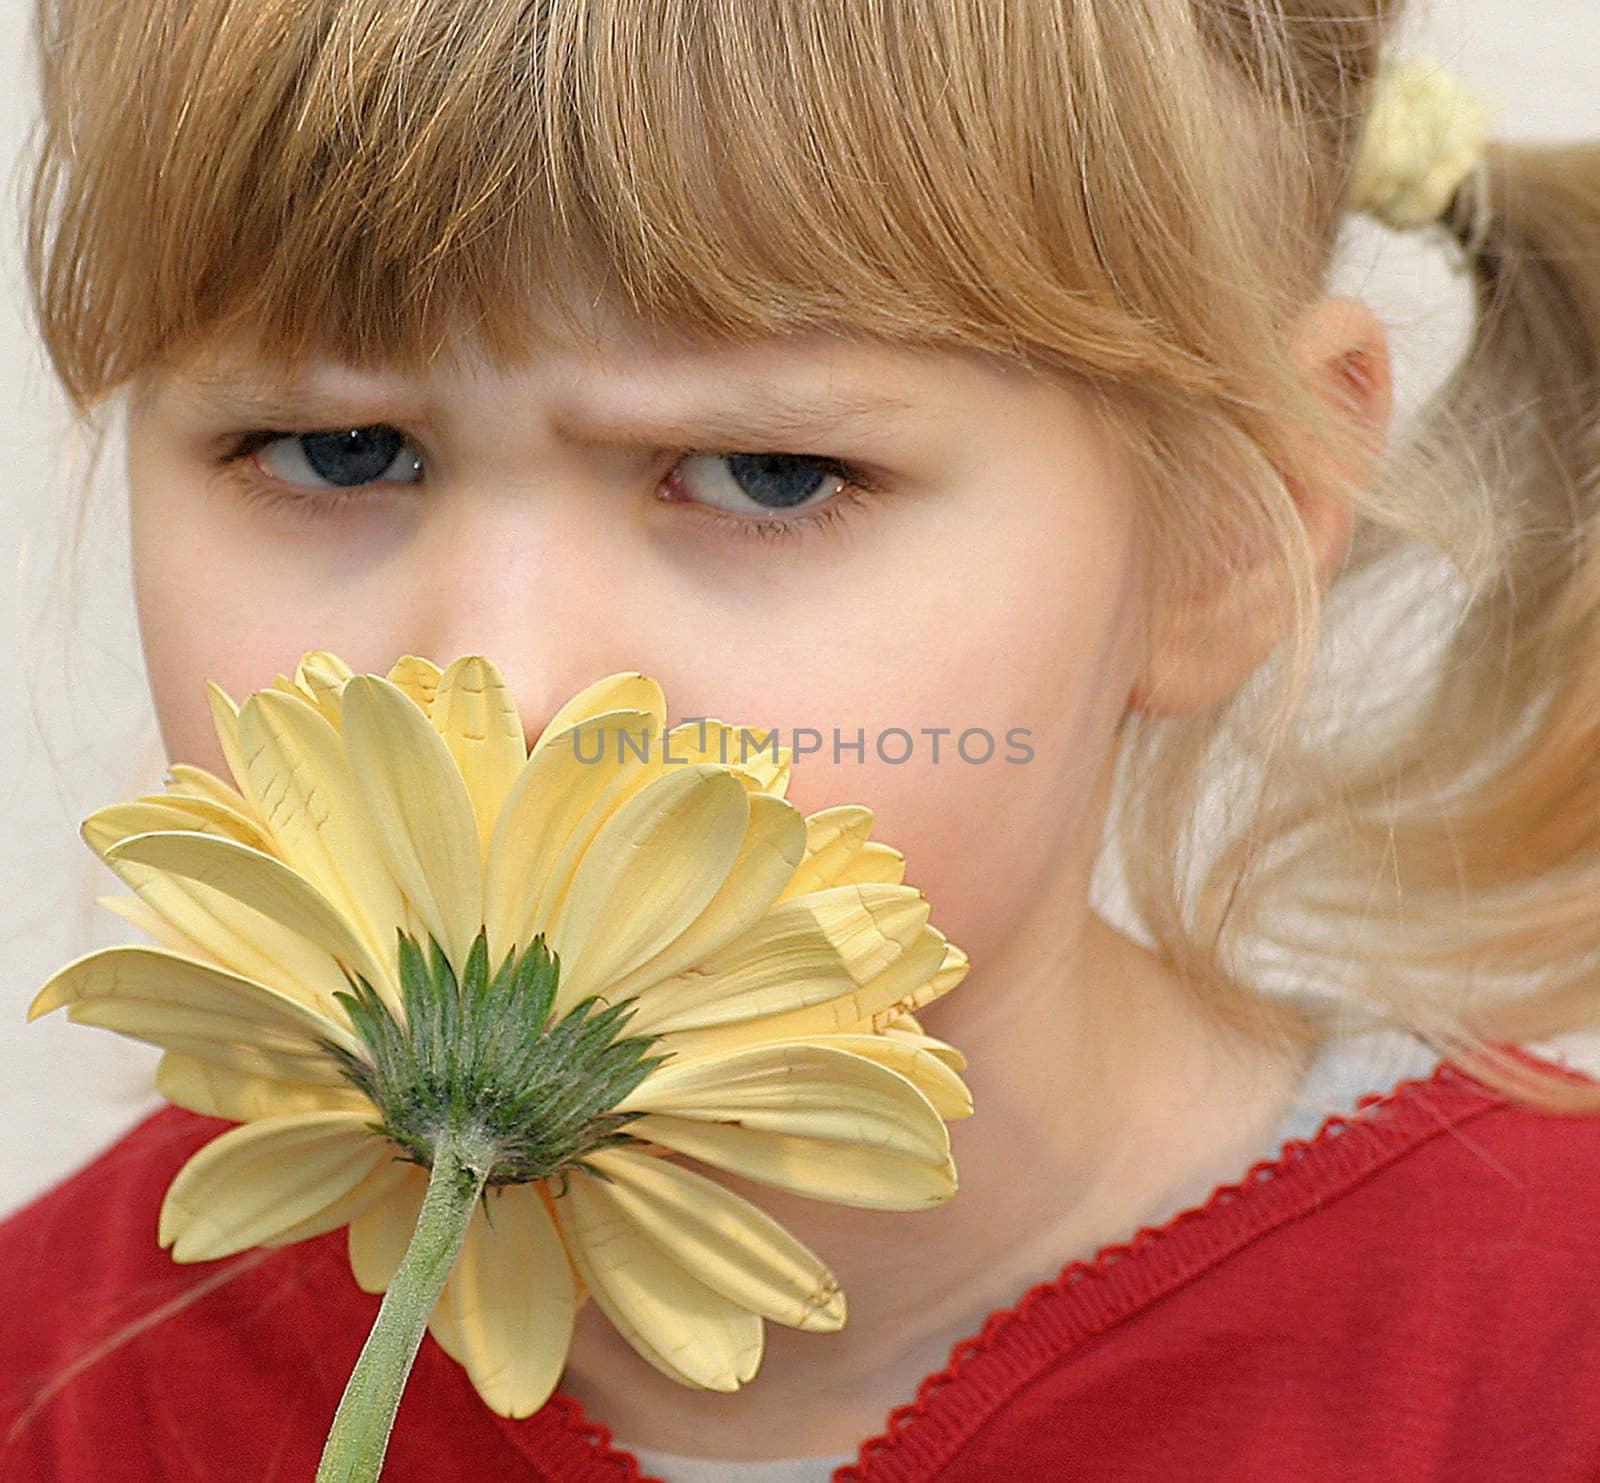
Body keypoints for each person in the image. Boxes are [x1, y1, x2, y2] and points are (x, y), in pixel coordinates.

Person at [4, 1, 1600, 1478]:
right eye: (338, 449)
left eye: (765, 471)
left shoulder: (1541, 1358)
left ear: (1227, 537)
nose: (497, 679)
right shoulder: (58, 1381)